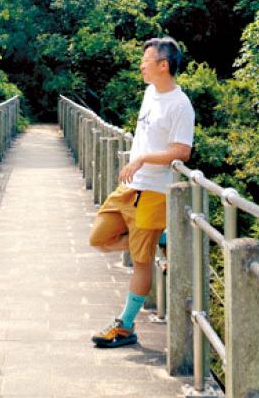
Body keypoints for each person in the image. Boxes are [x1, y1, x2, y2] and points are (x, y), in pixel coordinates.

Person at [88, 37, 195, 348]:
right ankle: (160, 238)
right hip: (130, 187)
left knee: (140, 261)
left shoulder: (180, 105)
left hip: (154, 192)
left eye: (146, 60)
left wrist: (144, 158)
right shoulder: (150, 93)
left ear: (164, 65)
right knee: (99, 238)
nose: (141, 65)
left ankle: (125, 325)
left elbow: (182, 151)